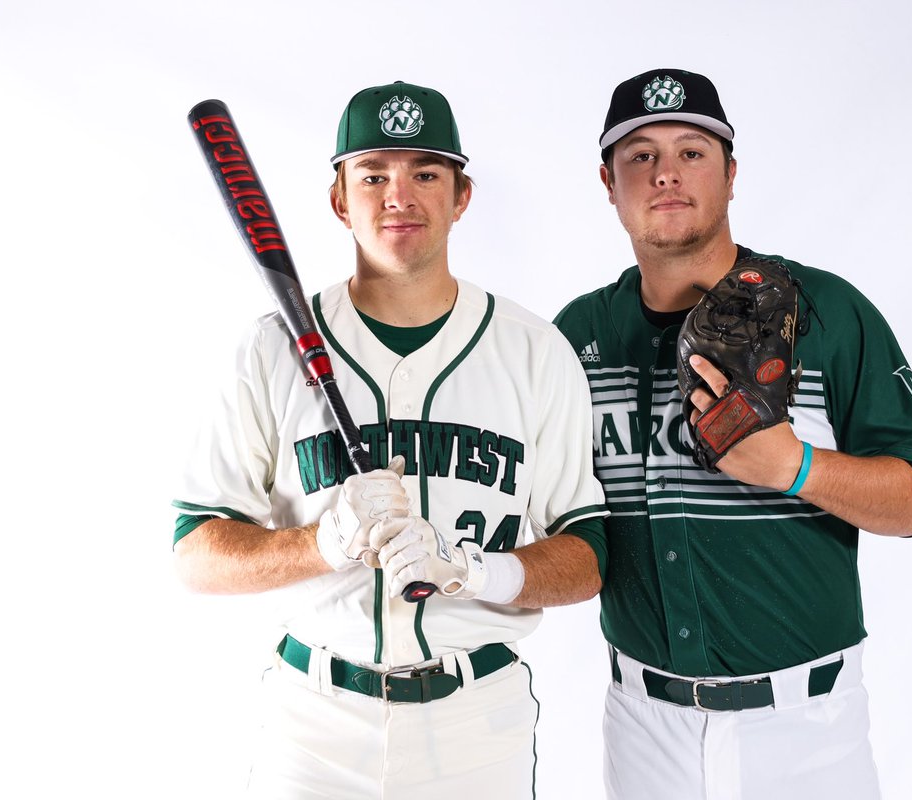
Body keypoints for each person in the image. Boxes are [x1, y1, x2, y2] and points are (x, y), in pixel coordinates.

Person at [173, 80, 607, 799]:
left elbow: (588, 557)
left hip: (477, 725)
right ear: (340, 200)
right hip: (311, 727)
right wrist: (323, 543)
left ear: (462, 197)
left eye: (425, 174)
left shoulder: (534, 351)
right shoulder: (268, 349)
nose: (398, 196)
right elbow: (196, 554)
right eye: (373, 175)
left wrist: (472, 571)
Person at [553, 69, 912, 800]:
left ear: (731, 174)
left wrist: (796, 467)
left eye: (692, 152)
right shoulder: (578, 334)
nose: (667, 173)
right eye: (641, 155)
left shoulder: (825, 312)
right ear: (609, 182)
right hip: (642, 727)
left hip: (806, 730)